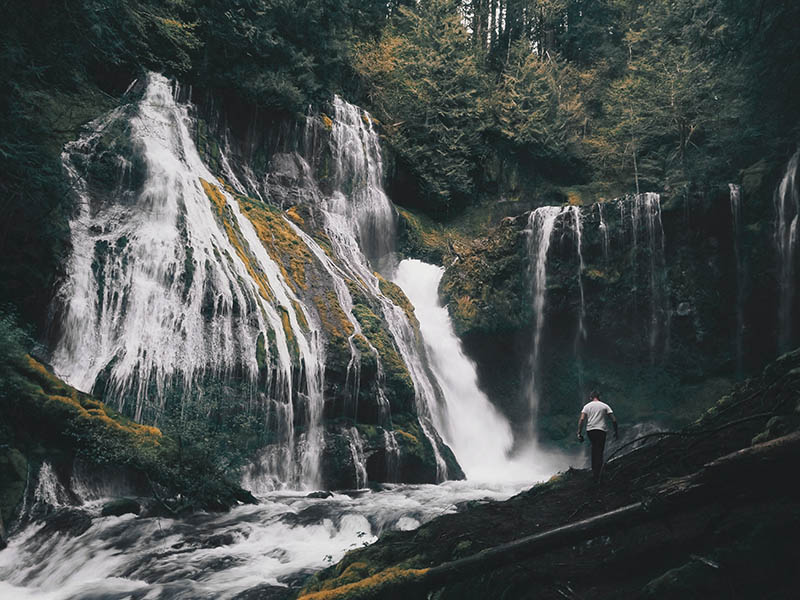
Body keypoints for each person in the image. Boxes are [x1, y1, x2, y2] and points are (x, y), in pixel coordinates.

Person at [577, 390, 618, 484]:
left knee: (594, 448)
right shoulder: (605, 406)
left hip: (590, 431)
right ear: (599, 397)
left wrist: (579, 432)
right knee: (600, 450)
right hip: (601, 430)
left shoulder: (587, 406)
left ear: (590, 397)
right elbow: (614, 419)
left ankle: (594, 472)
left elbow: (582, 419)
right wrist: (616, 432)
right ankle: (599, 472)